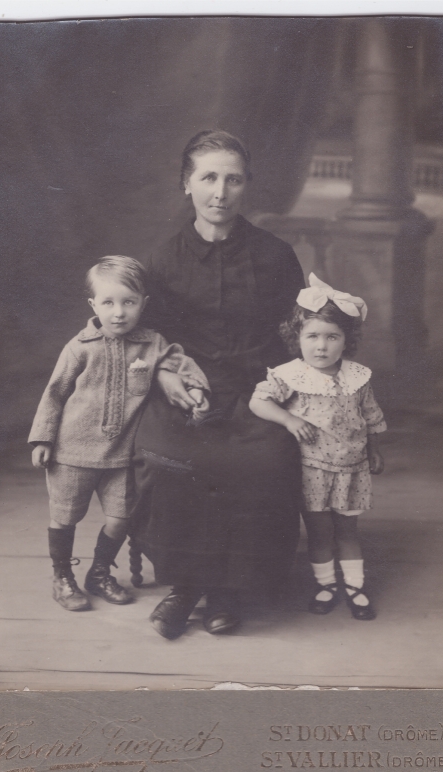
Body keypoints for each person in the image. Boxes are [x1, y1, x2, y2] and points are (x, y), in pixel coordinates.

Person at [132, 130, 305, 639]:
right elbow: (150, 336)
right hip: (188, 387)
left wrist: (283, 390)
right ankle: (185, 585)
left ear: (246, 185)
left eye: (233, 179)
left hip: (260, 387)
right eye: (208, 178)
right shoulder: (162, 260)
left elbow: (296, 336)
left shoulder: (275, 255)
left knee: (264, 457)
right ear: (186, 184)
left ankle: (230, 590)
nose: (220, 192)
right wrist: (166, 376)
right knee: (165, 454)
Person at [28, 256, 209, 611]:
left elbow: (180, 363)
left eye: (129, 302)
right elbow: (55, 393)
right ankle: (62, 577)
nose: (119, 312)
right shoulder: (79, 347)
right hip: (72, 452)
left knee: (121, 518)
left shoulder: (151, 344)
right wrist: (42, 438)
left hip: (121, 454)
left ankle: (99, 572)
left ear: (144, 304)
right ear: (93, 305)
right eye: (108, 302)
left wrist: (197, 388)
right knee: (64, 516)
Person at [249, 272, 387, 620]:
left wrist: (373, 448)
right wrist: (290, 420)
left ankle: (355, 587)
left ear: (347, 340)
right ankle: (326, 585)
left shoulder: (357, 377)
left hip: (352, 468)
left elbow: (369, 416)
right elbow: (258, 402)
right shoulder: (290, 374)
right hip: (312, 469)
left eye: (332, 337)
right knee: (321, 532)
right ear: (297, 337)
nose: (321, 346)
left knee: (348, 531)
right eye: (312, 336)